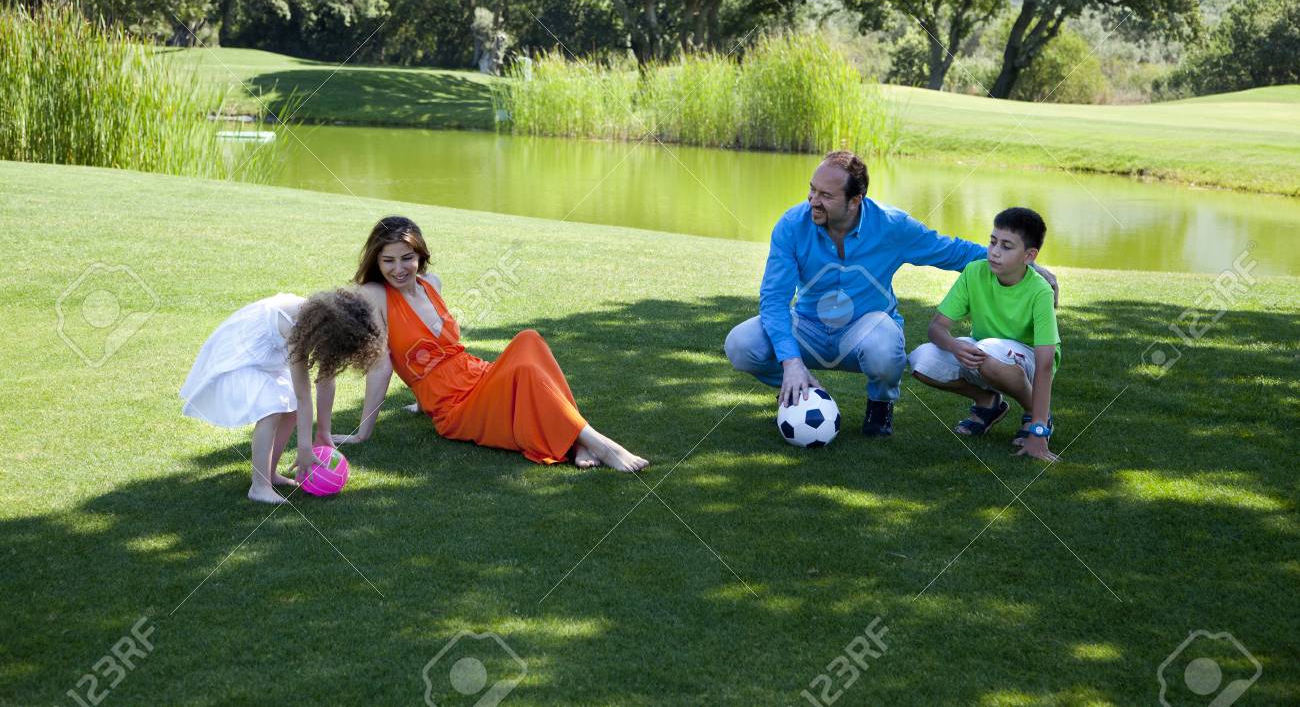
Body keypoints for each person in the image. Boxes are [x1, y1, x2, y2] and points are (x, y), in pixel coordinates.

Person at [724, 150, 1057, 437]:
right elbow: (774, 300)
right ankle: (803, 390)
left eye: (826, 195)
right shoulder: (791, 225)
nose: (813, 200)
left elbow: (950, 251)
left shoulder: (892, 226)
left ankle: (880, 405)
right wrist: (792, 362)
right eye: (812, 190)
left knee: (884, 344)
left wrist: (1028, 270)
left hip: (865, 331)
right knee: (740, 345)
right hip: (808, 326)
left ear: (855, 201)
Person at [331, 216, 649, 472]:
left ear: (420, 256)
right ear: (377, 260)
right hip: (455, 406)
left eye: (407, 258)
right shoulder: (374, 295)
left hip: (478, 374)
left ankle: (578, 441)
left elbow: (435, 347)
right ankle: (601, 445)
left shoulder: (432, 283)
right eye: (388, 261)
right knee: (526, 370)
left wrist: (418, 400)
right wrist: (363, 431)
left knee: (529, 341)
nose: (398, 269)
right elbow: (383, 365)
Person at [180, 289, 384, 503]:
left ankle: (268, 474)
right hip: (238, 355)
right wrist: (304, 447)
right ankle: (259, 487)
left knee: (290, 408)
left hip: (263, 357)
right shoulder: (296, 330)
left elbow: (326, 379)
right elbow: (303, 395)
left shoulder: (321, 323)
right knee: (272, 408)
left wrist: (324, 431)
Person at [908, 207, 1061, 462]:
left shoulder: (1040, 291)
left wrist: (1038, 430)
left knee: (989, 351)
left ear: (1029, 255)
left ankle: (1035, 415)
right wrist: (954, 345)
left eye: (1006, 246)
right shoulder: (974, 272)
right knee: (920, 360)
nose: (995, 251)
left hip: (1028, 363)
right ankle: (988, 402)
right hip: (986, 352)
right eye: (992, 242)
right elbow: (936, 328)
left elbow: (1045, 364)